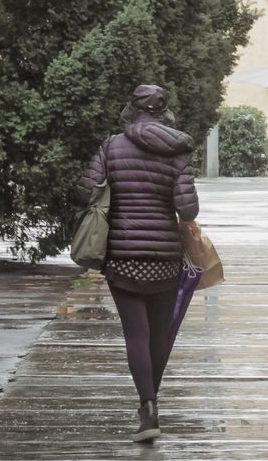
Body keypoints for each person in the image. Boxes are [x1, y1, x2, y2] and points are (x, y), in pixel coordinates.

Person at [75, 84, 198, 442]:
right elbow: (188, 209)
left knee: (136, 334)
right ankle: (150, 406)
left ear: (132, 109)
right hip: (165, 257)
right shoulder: (178, 152)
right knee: (159, 334)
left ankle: (148, 407)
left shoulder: (111, 146)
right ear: (163, 112)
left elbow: (84, 191)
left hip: (123, 255)